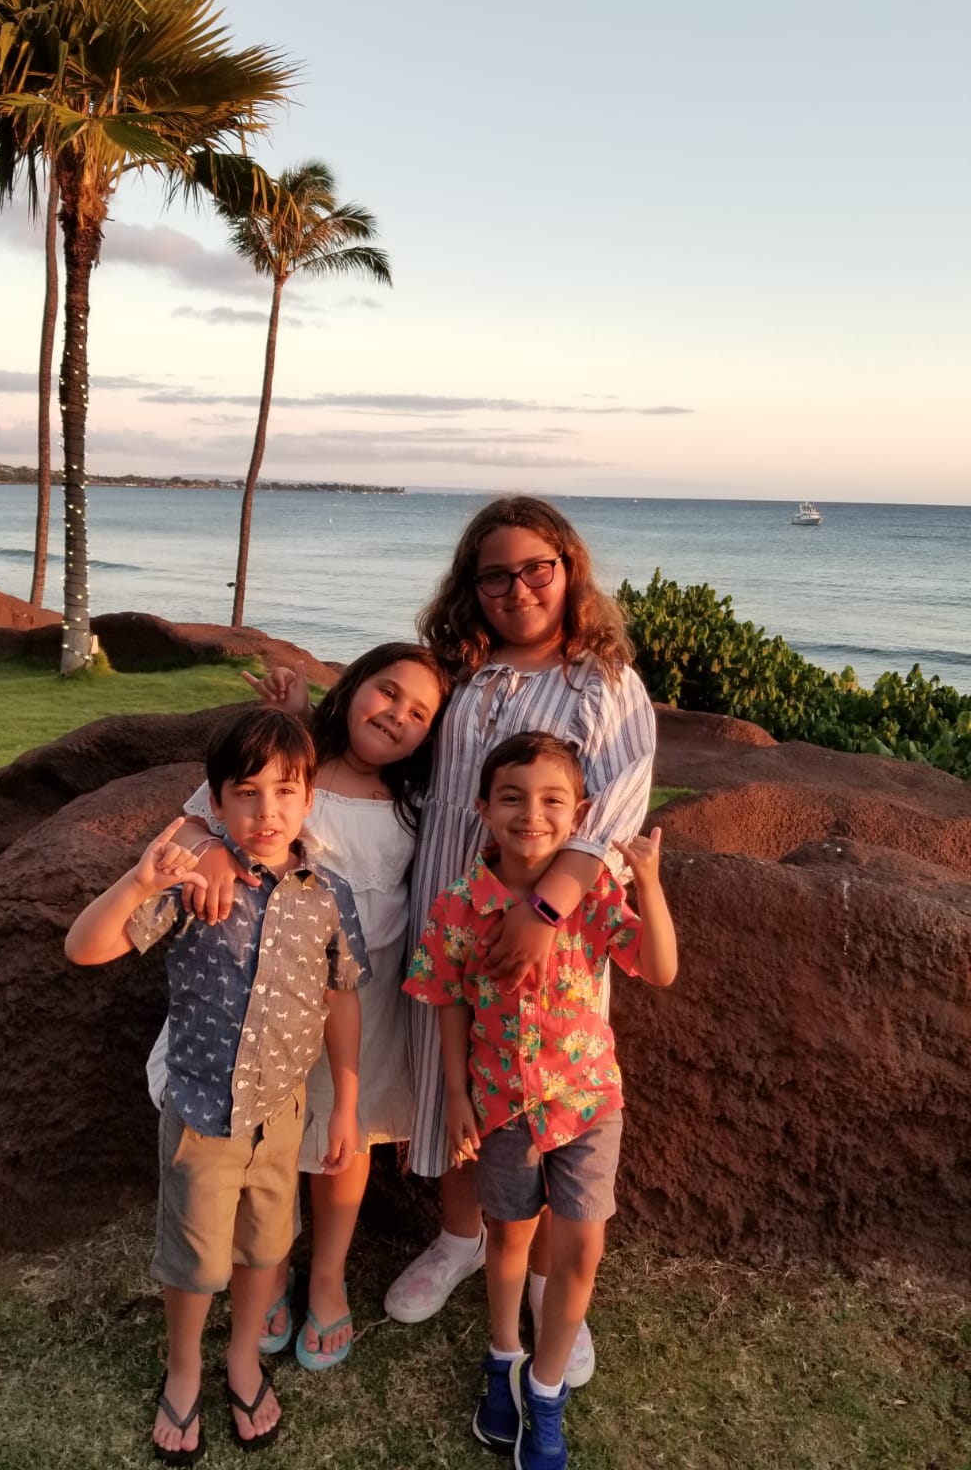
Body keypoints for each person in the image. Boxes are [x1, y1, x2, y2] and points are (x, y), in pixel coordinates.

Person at [386, 495, 657, 1387]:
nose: (517, 589)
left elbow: (615, 806)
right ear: (472, 587)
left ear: (568, 568)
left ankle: (545, 1283)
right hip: (450, 907)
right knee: (455, 1080)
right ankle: (460, 1237)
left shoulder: (602, 682)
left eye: (536, 568)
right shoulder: (462, 670)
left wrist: (541, 913)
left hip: (553, 931)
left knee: (541, 1093)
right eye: (494, 575)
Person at [65, 707, 369, 1463]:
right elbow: (84, 948)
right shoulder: (195, 884)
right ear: (215, 801)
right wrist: (138, 884)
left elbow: (341, 997)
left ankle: (242, 1358)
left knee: (266, 1248)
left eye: (286, 792)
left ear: (308, 800)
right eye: (247, 793)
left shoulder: (329, 895)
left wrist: (348, 1103)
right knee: (195, 1259)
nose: (268, 812)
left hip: (283, 1116)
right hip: (202, 1113)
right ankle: (184, 1366)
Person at [154, 643, 448, 1370]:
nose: (397, 716)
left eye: (420, 713)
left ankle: (327, 1275)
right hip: (270, 988)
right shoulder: (299, 771)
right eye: (388, 691)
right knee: (275, 1133)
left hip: (362, 994)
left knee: (348, 1137)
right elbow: (196, 819)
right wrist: (211, 852)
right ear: (352, 685)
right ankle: (271, 1268)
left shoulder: (418, 800)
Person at [404, 731, 677, 1469]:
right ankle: (503, 1359)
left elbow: (659, 969)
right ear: (483, 809)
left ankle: (545, 1389)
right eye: (513, 798)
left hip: (588, 1104)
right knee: (509, 1240)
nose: (532, 815)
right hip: (501, 1108)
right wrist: (456, 1094)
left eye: (554, 800)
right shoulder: (459, 906)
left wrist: (648, 884)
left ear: (580, 813)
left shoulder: (592, 897)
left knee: (581, 1248)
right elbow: (448, 998)